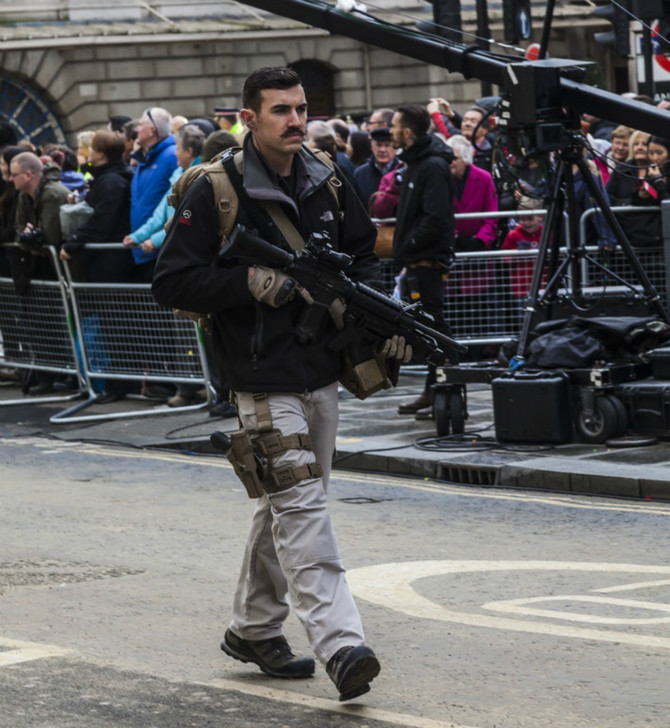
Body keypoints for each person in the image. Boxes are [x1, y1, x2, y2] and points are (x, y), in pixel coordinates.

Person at [152, 66, 409, 701]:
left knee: (288, 503)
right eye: (280, 111)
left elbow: (363, 258)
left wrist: (383, 323)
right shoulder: (215, 189)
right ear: (249, 118)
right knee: (302, 507)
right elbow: (171, 281)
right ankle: (342, 642)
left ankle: (254, 628)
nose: (296, 120)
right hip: (260, 378)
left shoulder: (327, 175)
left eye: (300, 108)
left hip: (319, 369)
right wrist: (248, 283)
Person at [390, 104, 454, 420]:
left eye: (394, 126)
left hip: (428, 263)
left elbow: (436, 218)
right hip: (416, 263)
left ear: (408, 132)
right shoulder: (416, 164)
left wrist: (411, 247)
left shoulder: (431, 167)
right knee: (428, 329)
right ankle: (434, 390)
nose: (390, 131)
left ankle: (443, 392)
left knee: (435, 329)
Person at [129, 106, 178, 280]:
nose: (136, 129)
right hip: (144, 247)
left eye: (140, 125)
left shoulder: (172, 156)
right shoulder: (143, 159)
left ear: (152, 131)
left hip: (160, 250)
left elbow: (172, 204)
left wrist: (156, 239)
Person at [353, 126, 399, 209]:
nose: (382, 150)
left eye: (387, 145)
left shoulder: (402, 172)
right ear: (371, 146)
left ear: (396, 148)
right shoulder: (360, 174)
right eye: (378, 145)